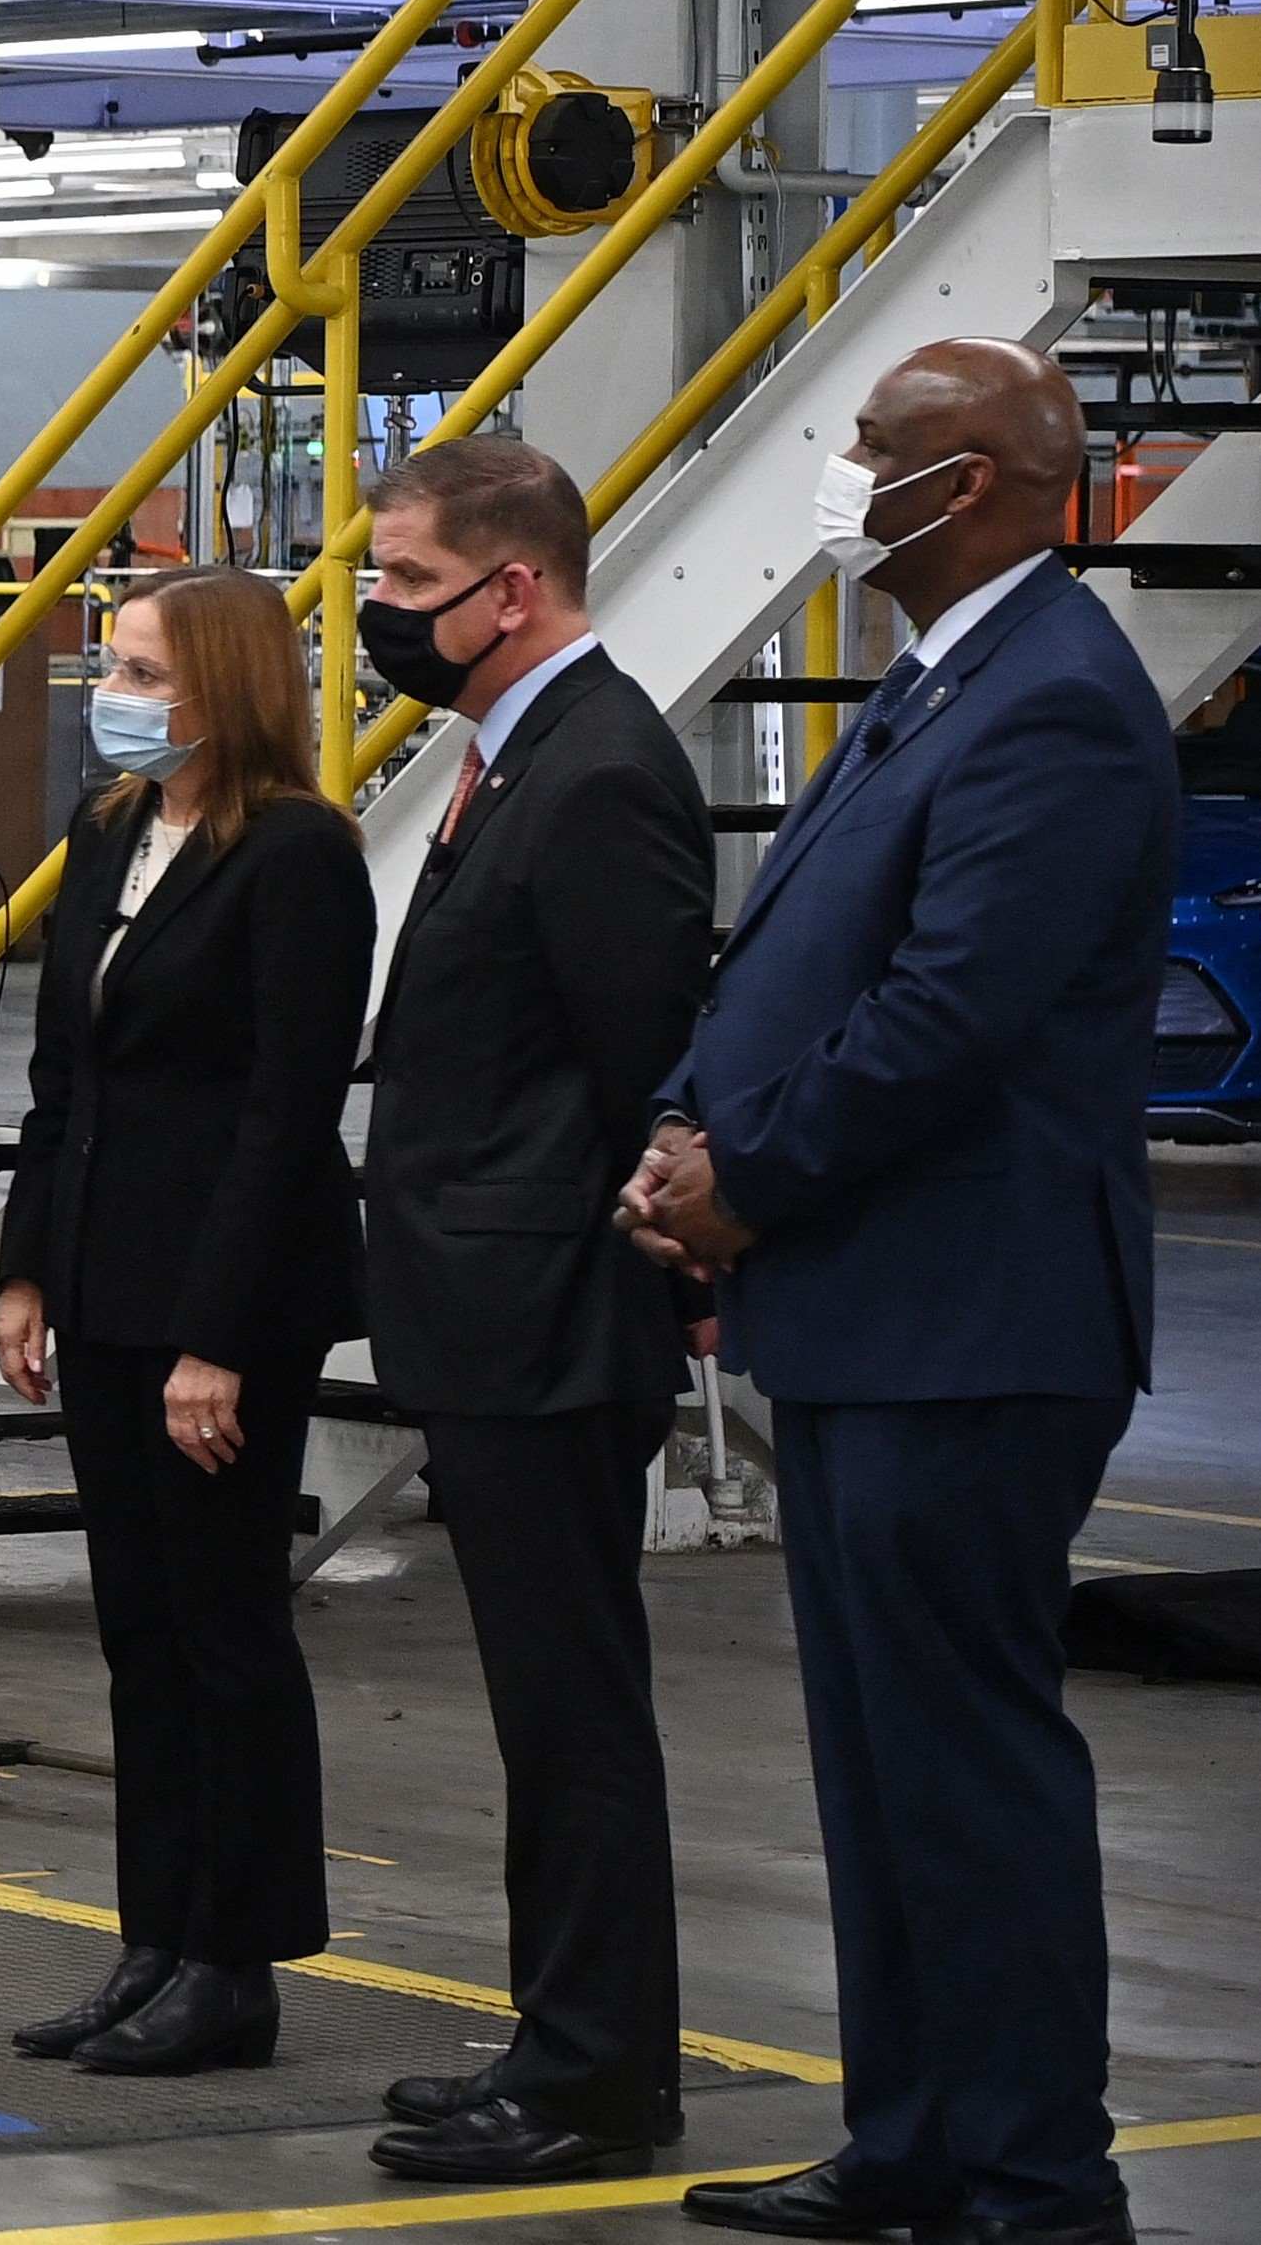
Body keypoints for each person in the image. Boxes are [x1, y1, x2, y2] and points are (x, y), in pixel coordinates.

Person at [629, 341, 1165, 2245]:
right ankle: (912, 2137)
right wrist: (690, 1127)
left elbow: (949, 1009)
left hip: (972, 1314)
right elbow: (794, 952)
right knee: (877, 1763)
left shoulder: (1057, 704)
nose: (841, 474)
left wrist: (748, 1176)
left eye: (871, 448)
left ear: (974, 483)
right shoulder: (939, 680)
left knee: (964, 1760)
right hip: (866, 1303)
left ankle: (1035, 2178)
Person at [347, 440, 711, 2183]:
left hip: (551, 1317)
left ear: (513, 588)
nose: (375, 614)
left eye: (405, 585)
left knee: (569, 1706)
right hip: (485, 1306)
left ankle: (591, 2075)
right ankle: (553, 2029)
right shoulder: (509, 754)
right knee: (531, 1703)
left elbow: (636, 1064)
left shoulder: (596, 772)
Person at [0, 564, 368, 2076]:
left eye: (140, 663)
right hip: (99, 1282)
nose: (111, 685)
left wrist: (214, 1336)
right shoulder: (108, 834)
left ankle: (237, 1957)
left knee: (223, 1627)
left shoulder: (295, 857)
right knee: (136, 1626)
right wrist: (26, 1268)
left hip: (220, 1298)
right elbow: (59, 1071)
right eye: (110, 658)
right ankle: (152, 1934)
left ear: (218, 685)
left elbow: (283, 1112)